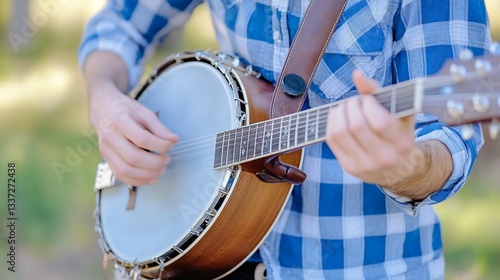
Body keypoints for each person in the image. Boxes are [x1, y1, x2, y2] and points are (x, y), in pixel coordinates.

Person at [79, 0, 491, 279]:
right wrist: (104, 101)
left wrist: (405, 166)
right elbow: (120, 25)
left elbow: (449, 140)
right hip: (208, 258)